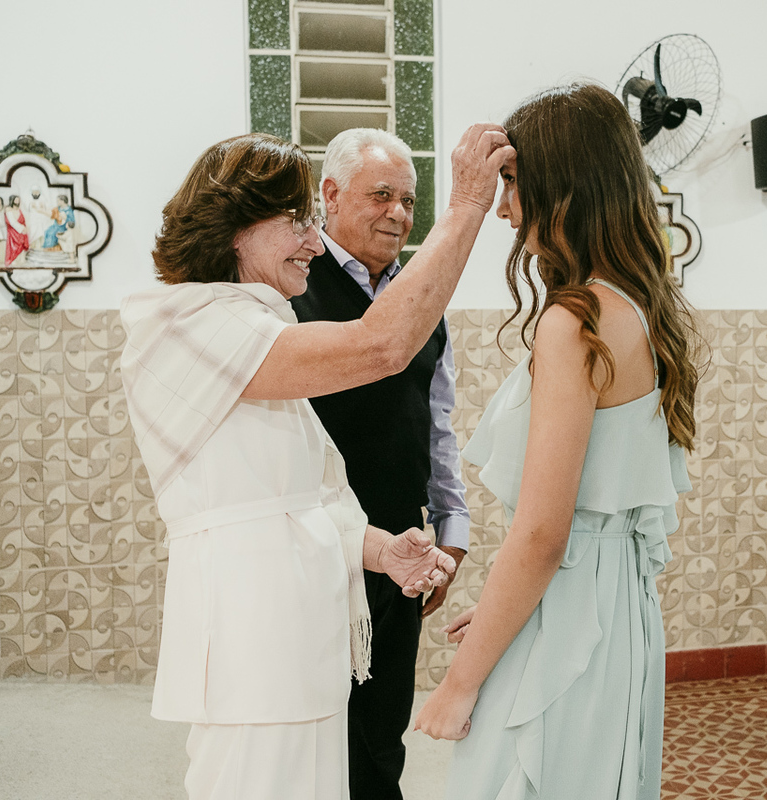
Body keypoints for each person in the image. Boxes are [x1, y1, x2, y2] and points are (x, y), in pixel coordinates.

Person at [119, 126, 512, 799]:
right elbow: (382, 345)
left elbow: (295, 498)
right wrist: (468, 205)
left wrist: (383, 550)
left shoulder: (251, 323)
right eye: (296, 222)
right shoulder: (191, 323)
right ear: (236, 229)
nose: (312, 240)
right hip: (252, 635)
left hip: (305, 626)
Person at [414, 83, 704, 800]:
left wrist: (460, 682)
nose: (506, 207)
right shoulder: (639, 307)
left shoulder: (573, 321)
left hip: (574, 609)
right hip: (615, 608)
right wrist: (519, 604)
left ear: (562, 185)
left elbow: (544, 532)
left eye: (513, 184)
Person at [289, 128, 470, 800]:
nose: (398, 213)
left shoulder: (424, 300)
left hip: (402, 536)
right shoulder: (290, 290)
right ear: (331, 195)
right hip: (312, 544)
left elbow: (438, 421)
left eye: (409, 200)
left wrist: (453, 522)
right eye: (382, 195)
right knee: (311, 723)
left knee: (379, 726)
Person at [4, 195, 27, 266]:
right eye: (16, 200)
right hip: (13, 231)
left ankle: (22, 259)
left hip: (21, 230)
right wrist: (22, 228)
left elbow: (22, 220)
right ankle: (14, 259)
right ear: (12, 200)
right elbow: (12, 222)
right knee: (14, 244)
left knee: (22, 243)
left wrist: (24, 228)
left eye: (18, 200)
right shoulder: (8, 209)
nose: (17, 201)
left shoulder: (19, 209)